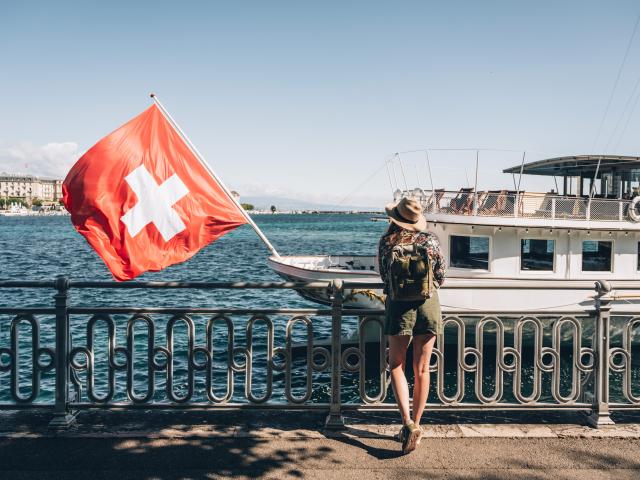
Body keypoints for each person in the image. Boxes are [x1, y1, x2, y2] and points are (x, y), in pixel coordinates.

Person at [377, 197, 445, 454]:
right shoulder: (430, 240)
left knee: (396, 364)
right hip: (428, 304)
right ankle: (417, 423)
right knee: (422, 368)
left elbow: (384, 276)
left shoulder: (387, 242)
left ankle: (406, 423)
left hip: (398, 306)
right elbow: (440, 276)